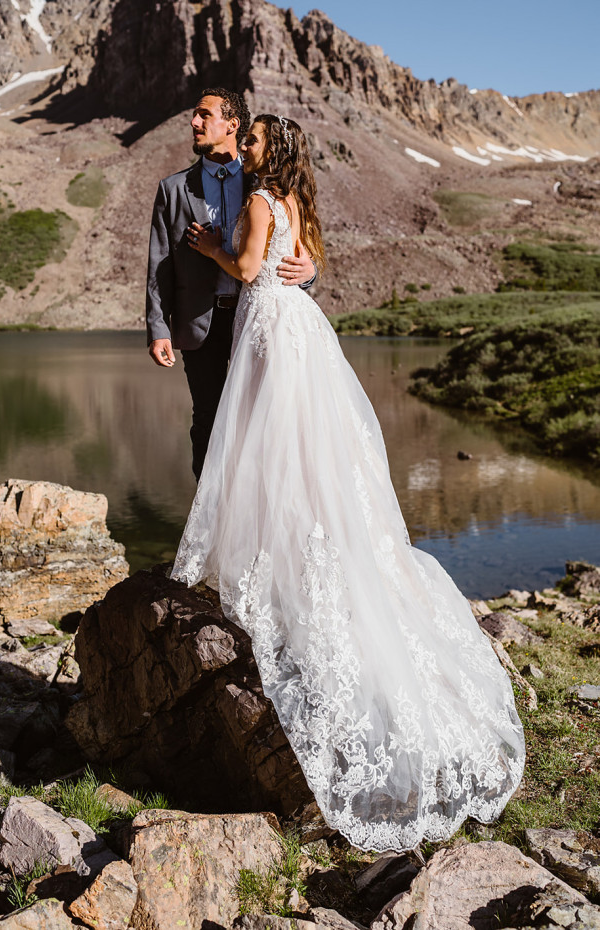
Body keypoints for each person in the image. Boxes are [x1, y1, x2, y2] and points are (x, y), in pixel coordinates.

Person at [172, 113, 525, 852]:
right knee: (303, 449)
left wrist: (209, 244)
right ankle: (295, 544)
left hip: (272, 322)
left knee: (269, 444)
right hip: (300, 324)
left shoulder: (265, 201)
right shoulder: (297, 199)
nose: (252, 144)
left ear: (273, 149)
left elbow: (246, 268)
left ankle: (266, 554)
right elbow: (300, 260)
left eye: (259, 136)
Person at [146, 88, 316, 479]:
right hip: (198, 323)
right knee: (207, 418)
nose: (194, 123)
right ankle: (209, 527)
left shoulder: (264, 182)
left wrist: (310, 274)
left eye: (204, 115)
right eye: (195, 115)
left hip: (255, 320)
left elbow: (294, 245)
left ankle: (257, 520)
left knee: (262, 420)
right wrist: (158, 328)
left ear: (232, 125)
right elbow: (160, 264)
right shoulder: (173, 189)